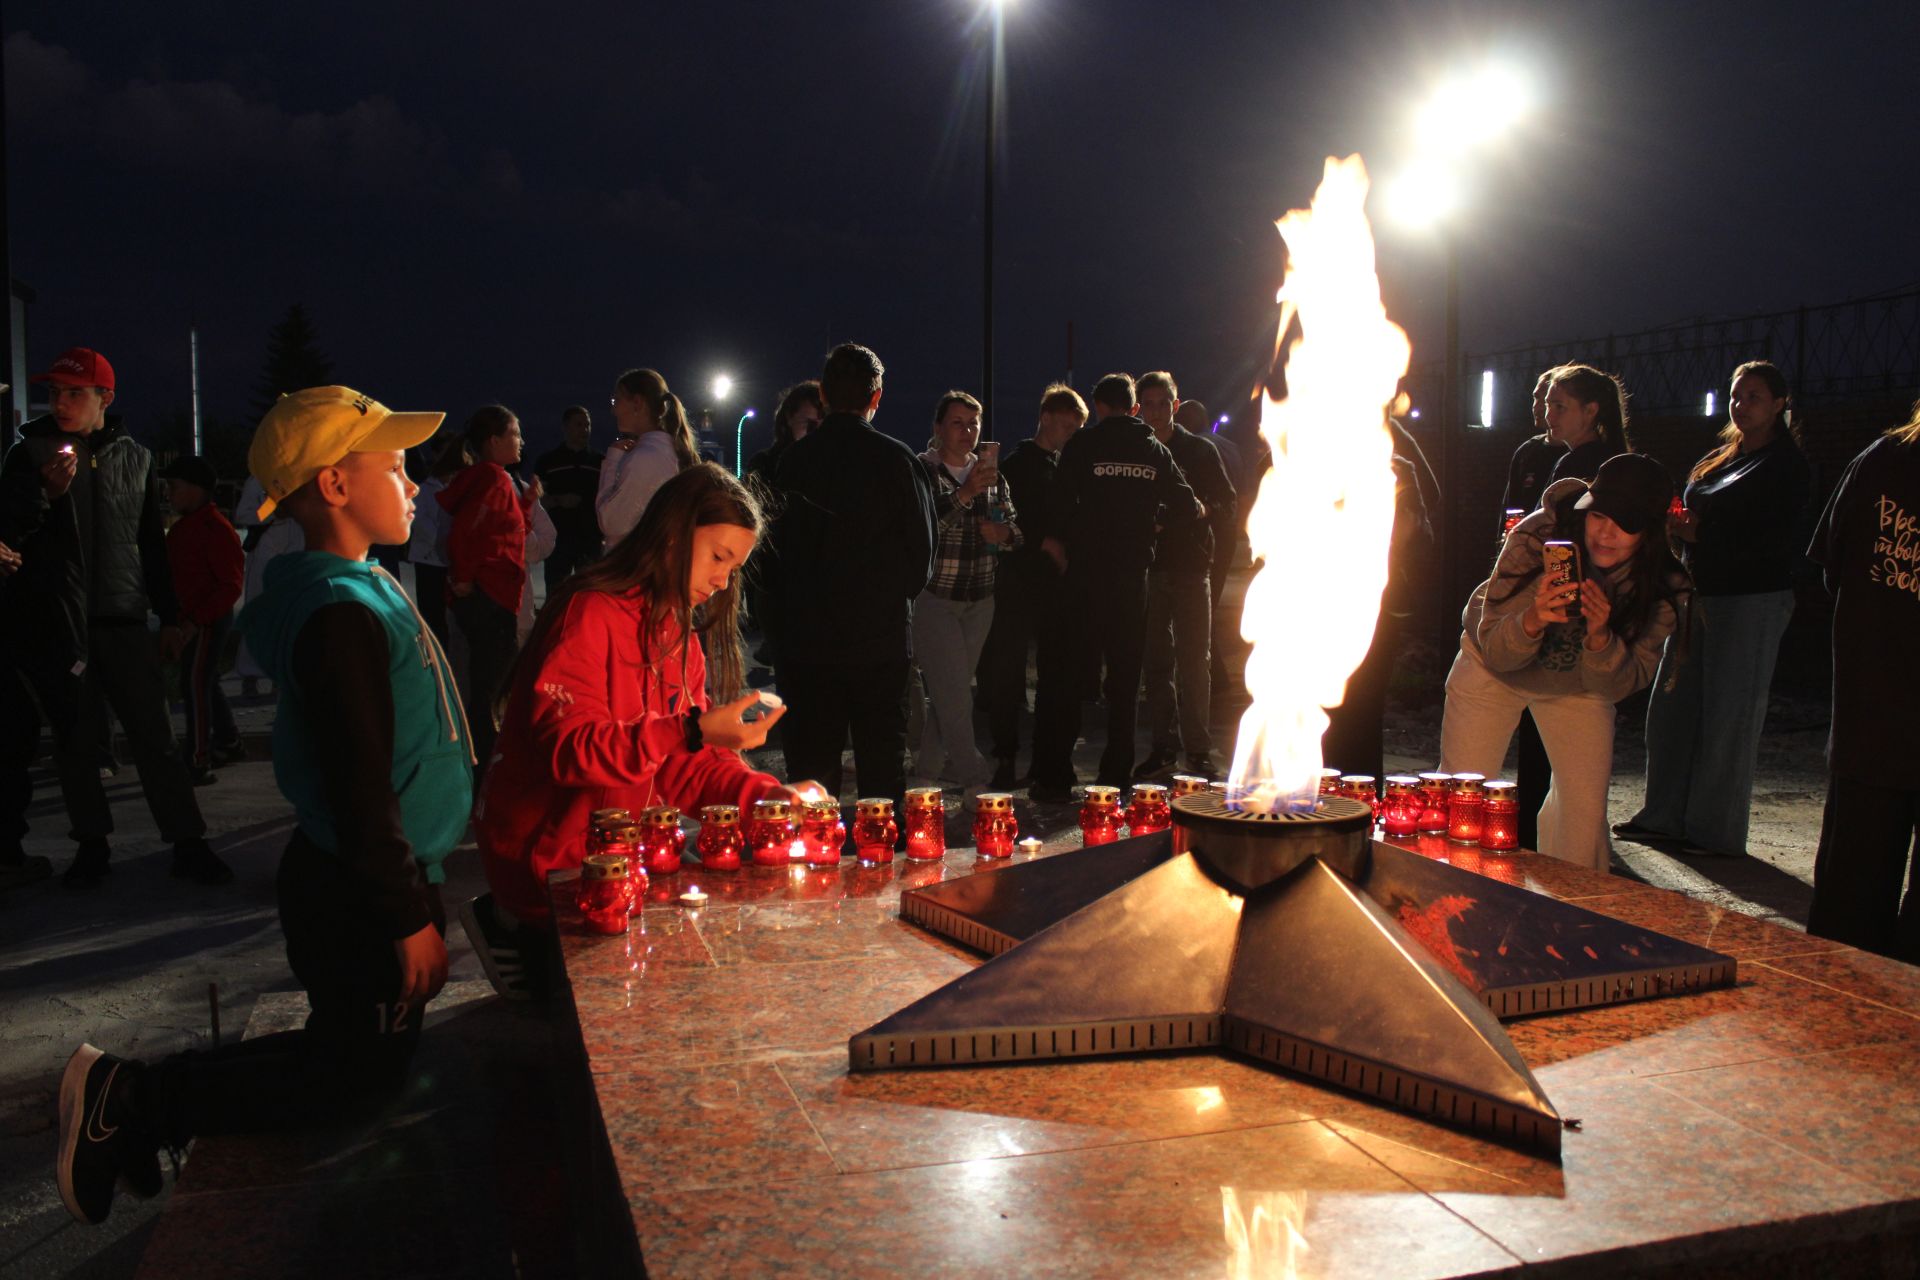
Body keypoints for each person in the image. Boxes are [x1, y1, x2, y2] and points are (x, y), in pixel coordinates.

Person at [54, 385, 469, 1225]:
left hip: (365, 874)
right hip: (356, 886)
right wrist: (403, 911)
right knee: (350, 1077)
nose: (415, 483)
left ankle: (134, 1106)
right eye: (394, 467)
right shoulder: (337, 613)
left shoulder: (360, 585)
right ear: (335, 486)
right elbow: (359, 781)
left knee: (361, 1057)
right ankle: (130, 1100)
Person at [465, 463, 820, 997]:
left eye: (735, 566)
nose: (723, 579)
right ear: (673, 535)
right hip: (557, 864)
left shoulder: (682, 638)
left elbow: (688, 767)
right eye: (719, 556)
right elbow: (568, 750)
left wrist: (770, 800)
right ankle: (513, 926)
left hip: (624, 857)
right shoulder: (589, 613)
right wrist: (691, 731)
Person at [0, 347, 228, 887]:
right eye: (54, 392)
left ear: (105, 397)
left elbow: (152, 544)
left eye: (73, 392)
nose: (60, 402)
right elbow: (8, 530)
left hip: (124, 621)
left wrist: (169, 616)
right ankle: (92, 845)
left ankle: (187, 842)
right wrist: (46, 493)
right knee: (76, 742)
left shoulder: (139, 458)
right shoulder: (27, 454)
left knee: (154, 735)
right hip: (60, 623)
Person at [1439, 454, 1690, 871]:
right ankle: (1446, 896)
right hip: (1492, 667)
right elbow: (1497, 648)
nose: (1606, 534)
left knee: (1583, 816)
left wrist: (1599, 639)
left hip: (1578, 684)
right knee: (1462, 795)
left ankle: (1572, 914)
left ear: (1651, 531)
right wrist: (1533, 619)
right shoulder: (1539, 536)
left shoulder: (1663, 588)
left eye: (1625, 523)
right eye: (1598, 516)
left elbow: (1623, 683)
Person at [1617, 360, 1810, 857]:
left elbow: (1776, 538)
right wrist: (1683, 526)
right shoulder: (1722, 458)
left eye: (1754, 397)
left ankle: (1713, 831)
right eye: (1736, 396)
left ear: (1780, 404)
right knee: (1673, 706)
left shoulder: (1786, 466)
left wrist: (1702, 533)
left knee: (1729, 715)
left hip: (1750, 599)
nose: (1741, 406)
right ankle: (1664, 816)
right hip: (1697, 593)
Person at [765, 343, 936, 813]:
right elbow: (921, 562)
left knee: (811, 776)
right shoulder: (899, 461)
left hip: (806, 645)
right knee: (882, 773)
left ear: (822, 393)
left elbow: (773, 556)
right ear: (876, 397)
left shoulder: (794, 463)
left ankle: (813, 870)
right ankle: (887, 867)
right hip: (877, 642)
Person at [1029, 372, 1202, 800]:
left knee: (1071, 678)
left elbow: (1058, 502)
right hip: (1132, 582)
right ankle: (1116, 775)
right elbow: (1189, 504)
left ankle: (1055, 778)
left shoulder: (1083, 446)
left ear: (1099, 406)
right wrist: (1153, 524)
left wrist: (1072, 539)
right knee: (1125, 682)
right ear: (1134, 408)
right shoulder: (1152, 449)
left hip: (1085, 579)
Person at [1805, 403, 1920, 961]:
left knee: (1852, 887)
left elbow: (1833, 566)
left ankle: (1839, 1014)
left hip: (1873, 705)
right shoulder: (1884, 458)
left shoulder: (1882, 460)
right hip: (1876, 711)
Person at [1509, 365, 1631, 847]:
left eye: (1560, 405)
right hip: (1581, 605)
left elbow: (1570, 545)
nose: (1548, 413)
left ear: (1591, 411)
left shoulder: (1588, 466)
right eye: (1547, 403)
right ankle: (1563, 837)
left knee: (1554, 721)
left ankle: (1542, 843)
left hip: (1571, 611)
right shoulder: (1572, 457)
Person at [912, 391, 1019, 789]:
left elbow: (1015, 528)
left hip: (980, 597)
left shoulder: (992, 473)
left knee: (949, 692)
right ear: (938, 428)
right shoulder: (922, 471)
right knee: (957, 694)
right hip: (935, 597)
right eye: (957, 423)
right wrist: (966, 493)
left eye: (973, 424)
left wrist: (1006, 533)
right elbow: (923, 527)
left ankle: (925, 774)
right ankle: (975, 780)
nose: (967, 431)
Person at [1321, 416, 1437, 781]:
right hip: (1322, 596)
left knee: (1362, 703)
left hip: (1375, 598)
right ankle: (1326, 788)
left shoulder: (1396, 467)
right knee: (1325, 703)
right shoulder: (1313, 457)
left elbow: (1421, 524)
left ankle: (1359, 795)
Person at [1134, 371, 1236, 780]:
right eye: (1149, 404)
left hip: (1192, 568)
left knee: (1195, 661)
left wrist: (1197, 510)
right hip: (1150, 568)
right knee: (1156, 663)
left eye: (1163, 403)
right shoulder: (1136, 451)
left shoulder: (1199, 450)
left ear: (1176, 407)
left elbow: (1226, 502)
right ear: (1139, 407)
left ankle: (1198, 748)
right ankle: (1163, 744)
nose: (1156, 412)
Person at [983, 384, 1086, 789]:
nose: (1069, 434)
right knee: (1007, 675)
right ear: (1045, 418)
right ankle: (1005, 757)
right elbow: (1006, 516)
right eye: (1064, 425)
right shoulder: (1018, 463)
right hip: (1019, 581)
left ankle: (1047, 760)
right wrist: (1045, 541)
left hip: (1056, 587)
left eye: (1076, 428)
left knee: (1055, 675)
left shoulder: (1069, 467)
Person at [437, 405, 538, 774]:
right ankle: (485, 771)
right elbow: (470, 531)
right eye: (514, 433)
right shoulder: (493, 479)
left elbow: (507, 530)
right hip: (490, 597)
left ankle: (483, 765)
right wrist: (463, 576)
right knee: (489, 691)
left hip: (493, 594)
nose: (521, 441)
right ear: (494, 441)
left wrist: (526, 503)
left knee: (487, 685)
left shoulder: (494, 480)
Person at [161, 455, 245, 785]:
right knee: (204, 681)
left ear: (196, 490)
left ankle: (197, 759)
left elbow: (230, 585)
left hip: (207, 620)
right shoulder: (186, 527)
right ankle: (229, 741)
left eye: (174, 487)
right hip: (194, 618)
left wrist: (195, 621)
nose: (169, 494)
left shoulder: (214, 529)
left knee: (195, 684)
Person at [742, 380, 825, 671]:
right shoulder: (766, 463)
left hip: (823, 587)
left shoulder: (835, 464)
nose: (815, 430)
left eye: (822, 422)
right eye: (807, 422)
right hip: (779, 585)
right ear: (788, 419)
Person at [595, 368, 696, 549]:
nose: (613, 409)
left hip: (636, 570)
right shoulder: (668, 451)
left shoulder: (645, 458)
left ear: (637, 403)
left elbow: (610, 522)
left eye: (616, 400)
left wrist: (612, 461)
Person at [532, 405, 603, 590]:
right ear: (566, 427)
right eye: (579, 424)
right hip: (559, 538)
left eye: (587, 425)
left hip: (591, 539)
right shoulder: (548, 462)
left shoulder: (600, 462)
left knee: (589, 593)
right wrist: (559, 500)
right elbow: (537, 500)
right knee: (556, 593)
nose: (585, 430)